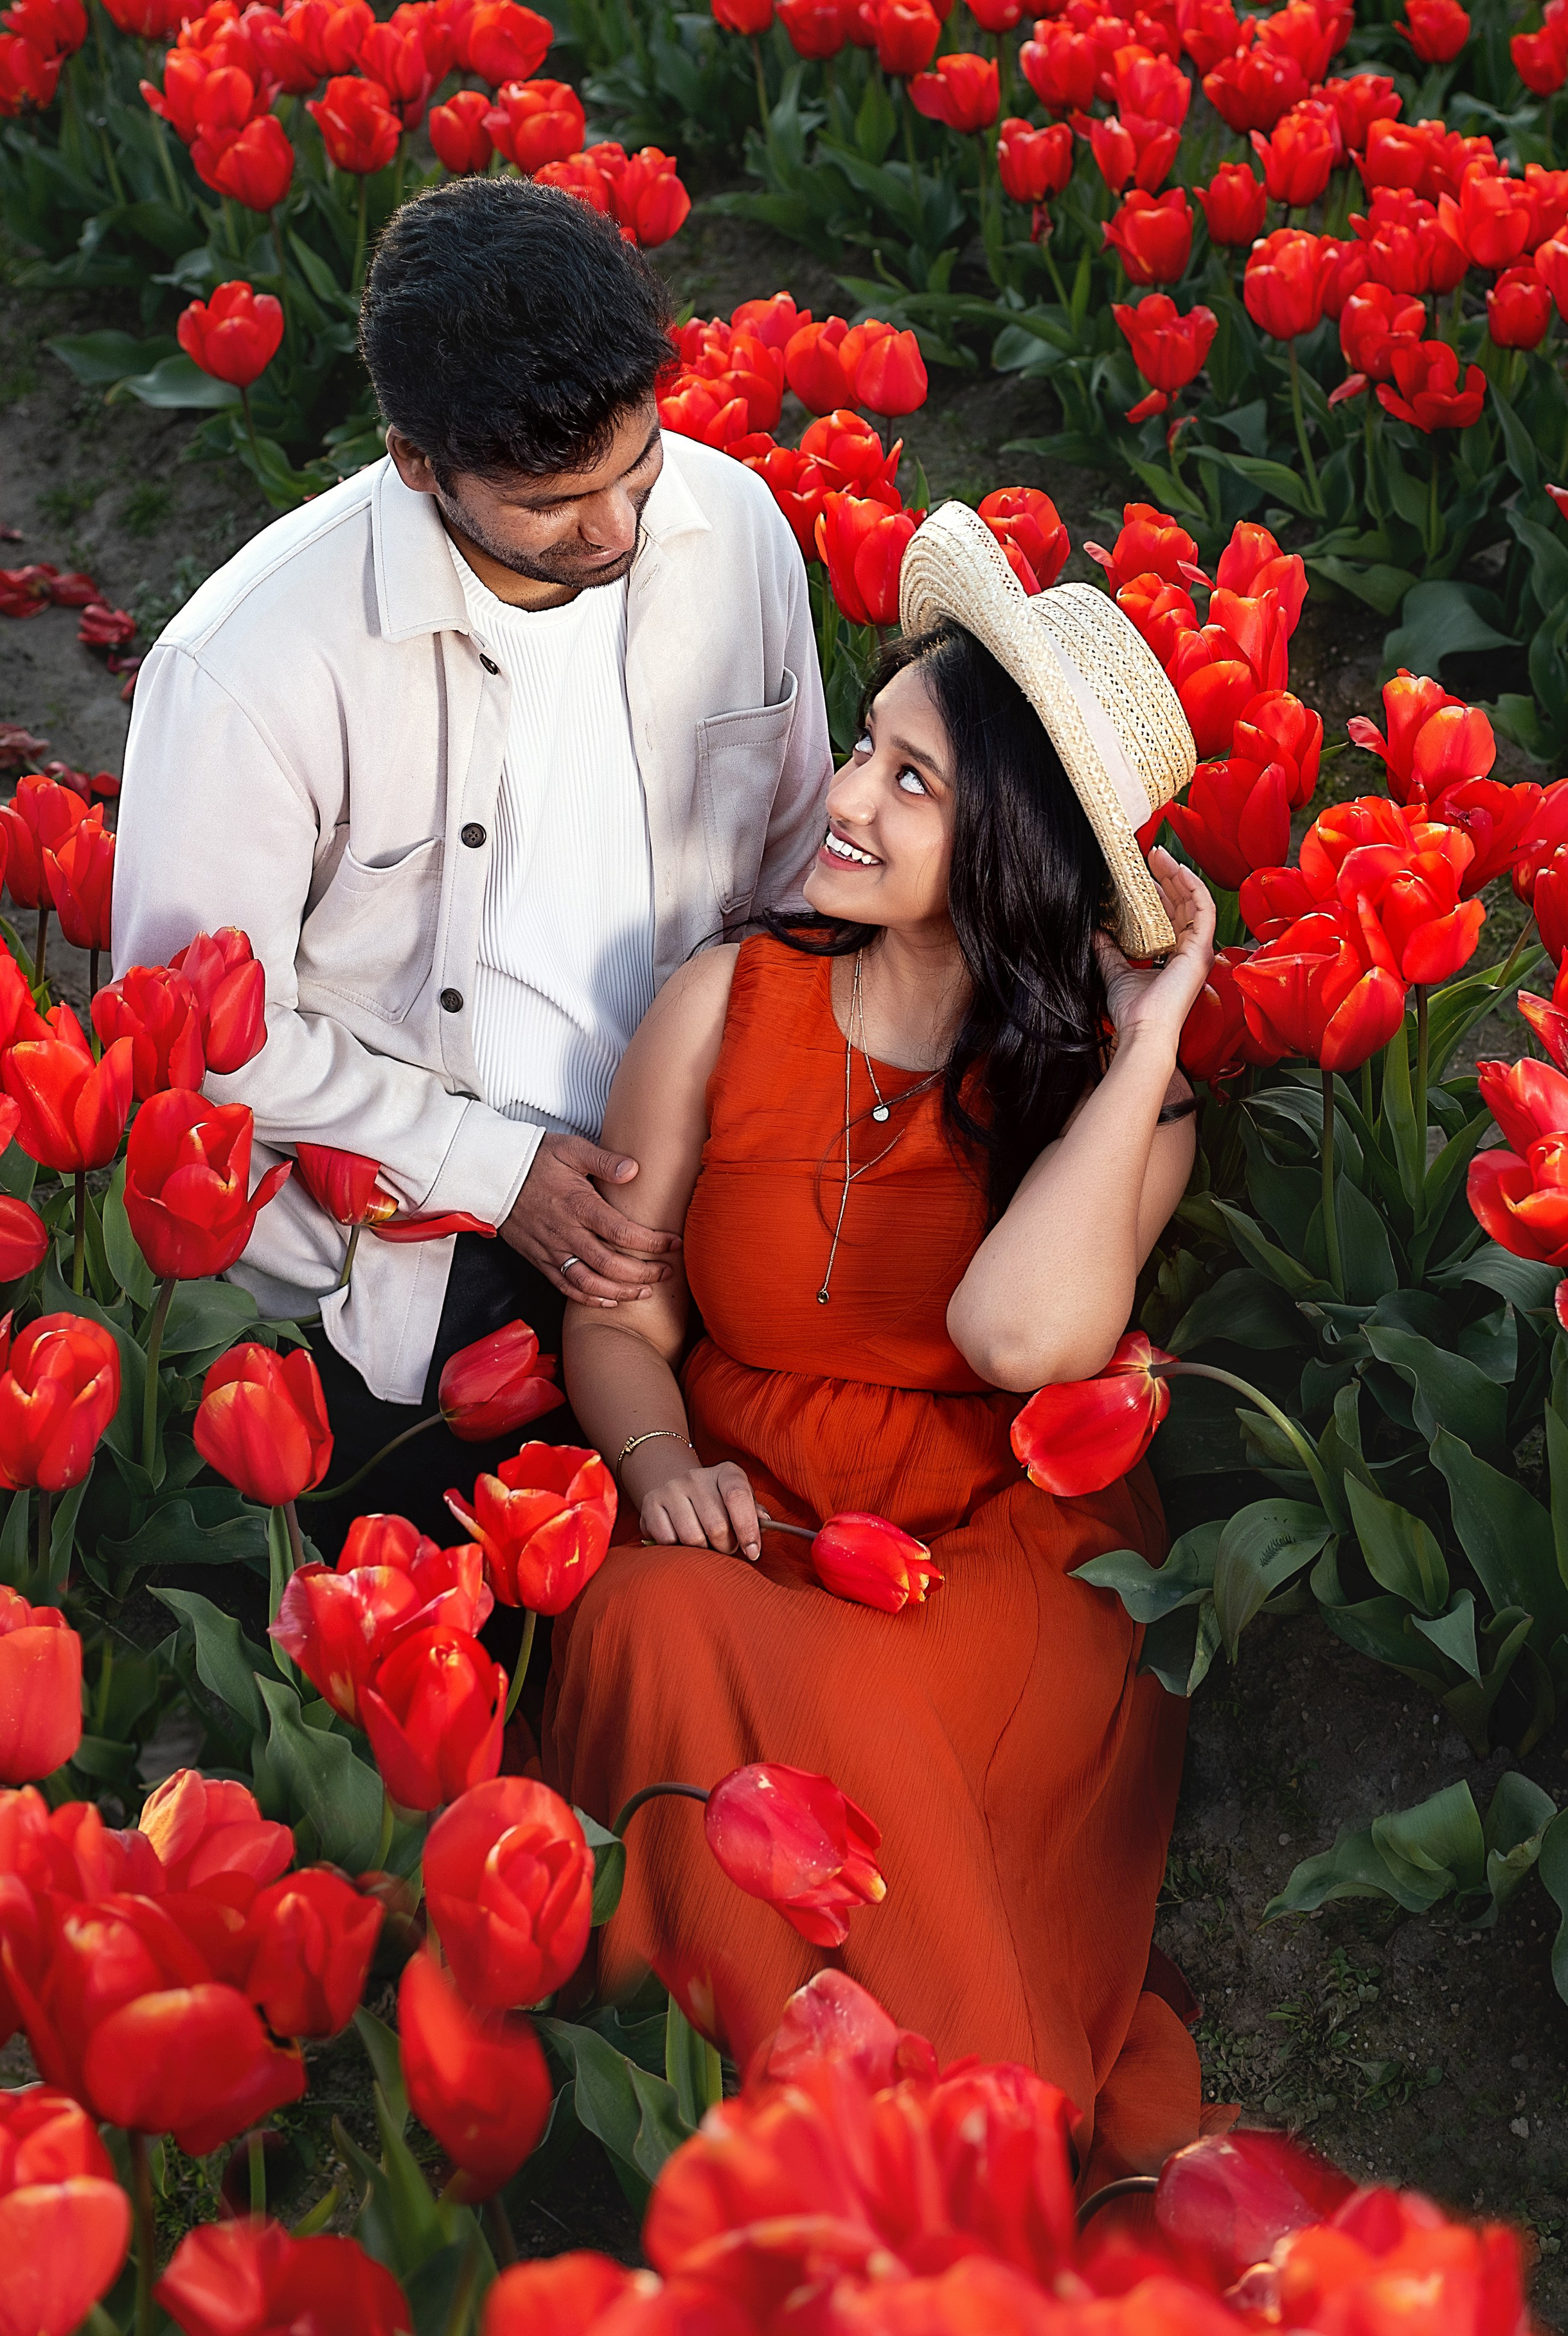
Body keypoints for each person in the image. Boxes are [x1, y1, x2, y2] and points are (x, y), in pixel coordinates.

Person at [546, 499, 1215, 2187]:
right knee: (642, 1617)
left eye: (911, 781)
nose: (842, 797)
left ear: (1016, 845)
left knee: (853, 1689)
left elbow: (1017, 1342)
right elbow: (618, 1301)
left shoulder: (1102, 1104)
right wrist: (654, 1457)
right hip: (749, 1505)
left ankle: (938, 2156)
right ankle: (755, 2150)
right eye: (866, 748)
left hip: (993, 1544)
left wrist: (1152, 1037)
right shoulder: (724, 1001)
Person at [111, 181, 831, 1518]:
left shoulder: (730, 536)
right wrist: (490, 1170)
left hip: (705, 1192)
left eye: (637, 465)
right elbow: (202, 1034)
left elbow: (793, 866)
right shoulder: (253, 668)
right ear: (414, 460)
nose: (617, 532)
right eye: (556, 504)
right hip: (411, 1249)